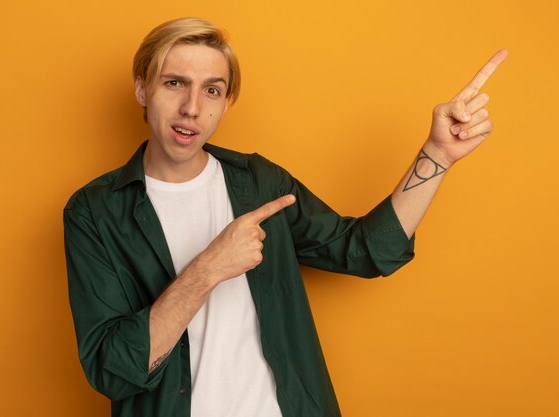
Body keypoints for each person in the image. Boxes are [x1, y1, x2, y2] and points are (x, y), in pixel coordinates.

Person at [63, 17, 507, 417]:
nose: (193, 108)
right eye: (175, 83)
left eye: (212, 89)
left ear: (227, 100)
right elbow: (113, 370)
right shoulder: (94, 212)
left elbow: (368, 251)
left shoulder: (259, 182)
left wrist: (438, 155)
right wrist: (208, 268)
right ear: (142, 89)